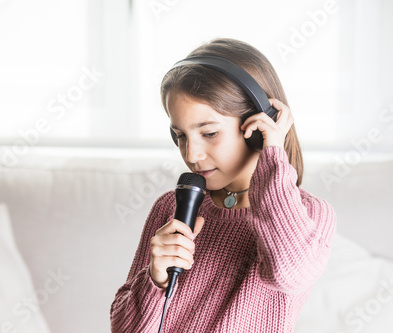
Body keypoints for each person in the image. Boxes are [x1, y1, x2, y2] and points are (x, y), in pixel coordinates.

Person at [110, 38, 336, 332]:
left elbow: (289, 273)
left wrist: (273, 154)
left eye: (210, 133)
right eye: (180, 136)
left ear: (258, 127)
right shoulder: (172, 207)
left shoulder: (310, 213)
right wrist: (156, 279)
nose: (192, 155)